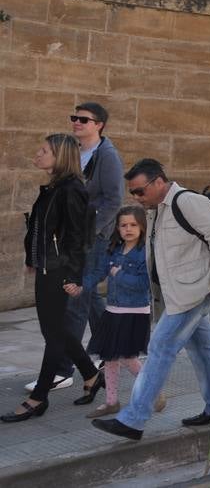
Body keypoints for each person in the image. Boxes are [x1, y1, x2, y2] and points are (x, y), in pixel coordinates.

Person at [92, 159, 210, 441]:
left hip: (193, 292)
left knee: (160, 347)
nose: (136, 197)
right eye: (132, 193)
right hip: (175, 294)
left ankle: (133, 419)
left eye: (140, 191)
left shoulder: (187, 202)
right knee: (204, 350)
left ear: (158, 182)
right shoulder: (157, 210)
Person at [4, 134, 101, 423]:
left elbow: (76, 238)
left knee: (53, 334)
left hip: (59, 271)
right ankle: (92, 375)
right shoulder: (55, 187)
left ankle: (39, 397)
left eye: (44, 150)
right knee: (57, 329)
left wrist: (73, 276)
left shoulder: (71, 189)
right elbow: (43, 229)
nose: (38, 154)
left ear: (60, 157)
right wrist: (32, 259)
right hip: (48, 267)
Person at [46, 102, 125, 394]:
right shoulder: (74, 151)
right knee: (89, 298)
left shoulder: (107, 156)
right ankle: (113, 349)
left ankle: (64, 369)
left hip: (92, 238)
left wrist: (90, 233)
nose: (76, 122)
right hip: (73, 236)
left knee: (75, 299)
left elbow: (114, 200)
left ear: (99, 124)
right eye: (74, 117)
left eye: (83, 119)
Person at [85, 206, 152, 418]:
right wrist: (81, 285)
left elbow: (143, 284)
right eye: (124, 225)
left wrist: (119, 274)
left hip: (135, 312)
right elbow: (99, 272)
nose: (128, 229)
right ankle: (111, 401)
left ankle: (154, 390)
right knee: (109, 356)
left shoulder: (144, 253)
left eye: (133, 225)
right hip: (113, 310)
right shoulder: (113, 249)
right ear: (117, 228)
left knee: (126, 356)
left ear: (142, 227)